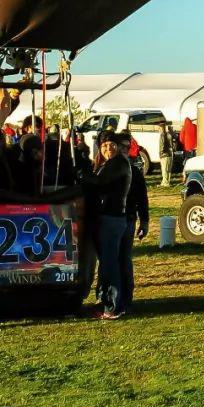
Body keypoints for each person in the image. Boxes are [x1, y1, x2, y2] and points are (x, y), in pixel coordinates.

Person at [83, 130, 131, 319]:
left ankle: (112, 306)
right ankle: (105, 302)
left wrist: (82, 174)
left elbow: (99, 183)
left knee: (110, 263)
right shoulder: (108, 164)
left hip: (112, 217)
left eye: (112, 145)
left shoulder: (118, 163)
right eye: (104, 146)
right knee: (107, 263)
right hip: (109, 216)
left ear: (118, 147)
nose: (108, 148)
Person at [116, 130, 149, 313]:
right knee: (112, 260)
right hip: (110, 219)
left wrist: (144, 221)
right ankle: (114, 297)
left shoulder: (134, 171)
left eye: (127, 147)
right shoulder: (105, 167)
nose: (124, 150)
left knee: (124, 259)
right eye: (121, 146)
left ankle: (126, 298)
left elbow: (142, 198)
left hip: (128, 218)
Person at [158, 119, 176, 186]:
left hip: (165, 154)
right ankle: (165, 181)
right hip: (170, 154)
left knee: (164, 169)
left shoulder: (162, 135)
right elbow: (175, 138)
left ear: (161, 128)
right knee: (168, 169)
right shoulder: (169, 134)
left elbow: (162, 145)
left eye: (159, 128)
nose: (158, 129)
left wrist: (161, 153)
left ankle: (165, 183)